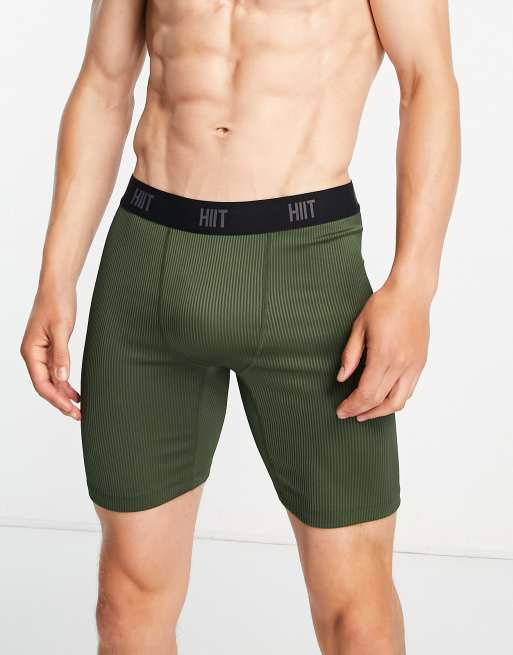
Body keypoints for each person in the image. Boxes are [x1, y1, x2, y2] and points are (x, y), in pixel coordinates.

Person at [20, 1, 460, 653]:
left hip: (307, 274)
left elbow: (426, 80)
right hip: (148, 269)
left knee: (355, 605)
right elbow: (104, 83)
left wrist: (414, 285)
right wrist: (56, 275)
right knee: (126, 597)